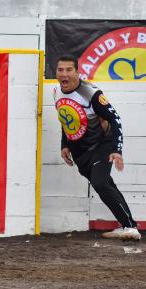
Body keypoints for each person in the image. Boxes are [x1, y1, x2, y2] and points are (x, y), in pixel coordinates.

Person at [54, 55, 140, 241]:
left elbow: (115, 120)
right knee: (105, 185)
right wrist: (65, 145)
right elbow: (65, 119)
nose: (64, 74)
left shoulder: (91, 94)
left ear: (77, 72)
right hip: (81, 153)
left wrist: (117, 149)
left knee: (101, 183)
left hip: (102, 145)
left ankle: (130, 227)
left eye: (69, 70)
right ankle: (128, 225)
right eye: (60, 70)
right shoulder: (56, 92)